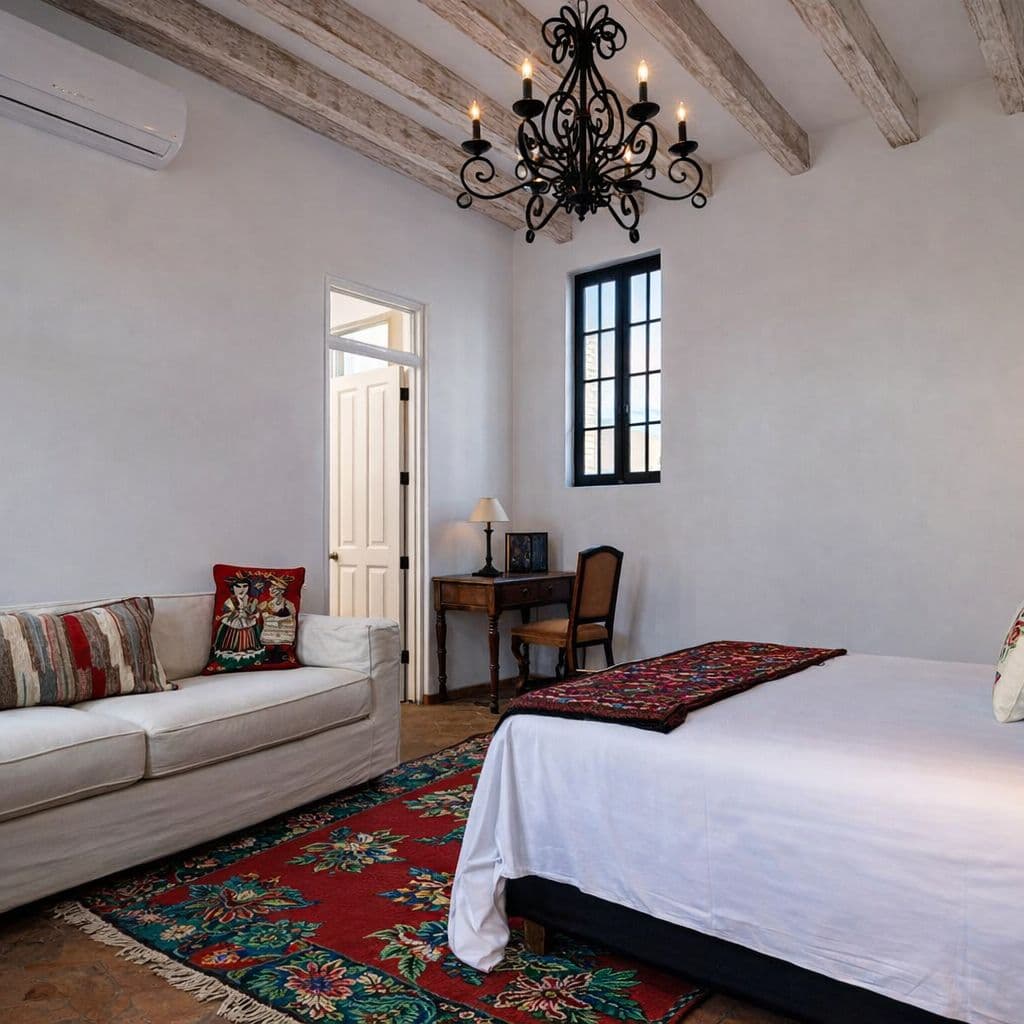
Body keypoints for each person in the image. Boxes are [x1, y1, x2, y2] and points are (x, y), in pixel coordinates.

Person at [212, 574, 266, 670]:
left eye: (245, 586)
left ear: (249, 587)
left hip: (248, 624)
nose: (242, 589)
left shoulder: (252, 600)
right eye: (238, 586)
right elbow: (227, 613)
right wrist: (237, 610)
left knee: (249, 643)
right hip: (233, 625)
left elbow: (254, 613)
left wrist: (247, 611)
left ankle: (249, 659)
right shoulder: (230, 601)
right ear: (233, 588)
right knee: (230, 642)